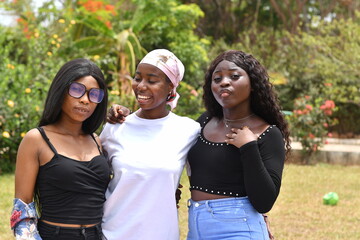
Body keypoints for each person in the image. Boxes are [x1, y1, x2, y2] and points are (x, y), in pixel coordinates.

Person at [108, 50, 291, 240]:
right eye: (217, 78)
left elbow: (264, 202)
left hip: (239, 228)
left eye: (234, 76)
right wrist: (130, 118)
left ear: (253, 83)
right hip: (197, 226)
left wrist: (248, 147)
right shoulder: (203, 123)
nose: (224, 82)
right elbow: (159, 139)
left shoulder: (267, 133)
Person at [99, 49, 200, 240]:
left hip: (162, 234)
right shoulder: (115, 127)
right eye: (137, 78)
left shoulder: (188, 130)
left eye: (152, 81)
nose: (141, 86)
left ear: (171, 86)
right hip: (112, 233)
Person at [10, 58, 111, 240]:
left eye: (94, 94)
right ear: (61, 90)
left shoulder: (96, 140)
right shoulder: (37, 139)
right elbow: (22, 209)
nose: (85, 100)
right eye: (77, 90)